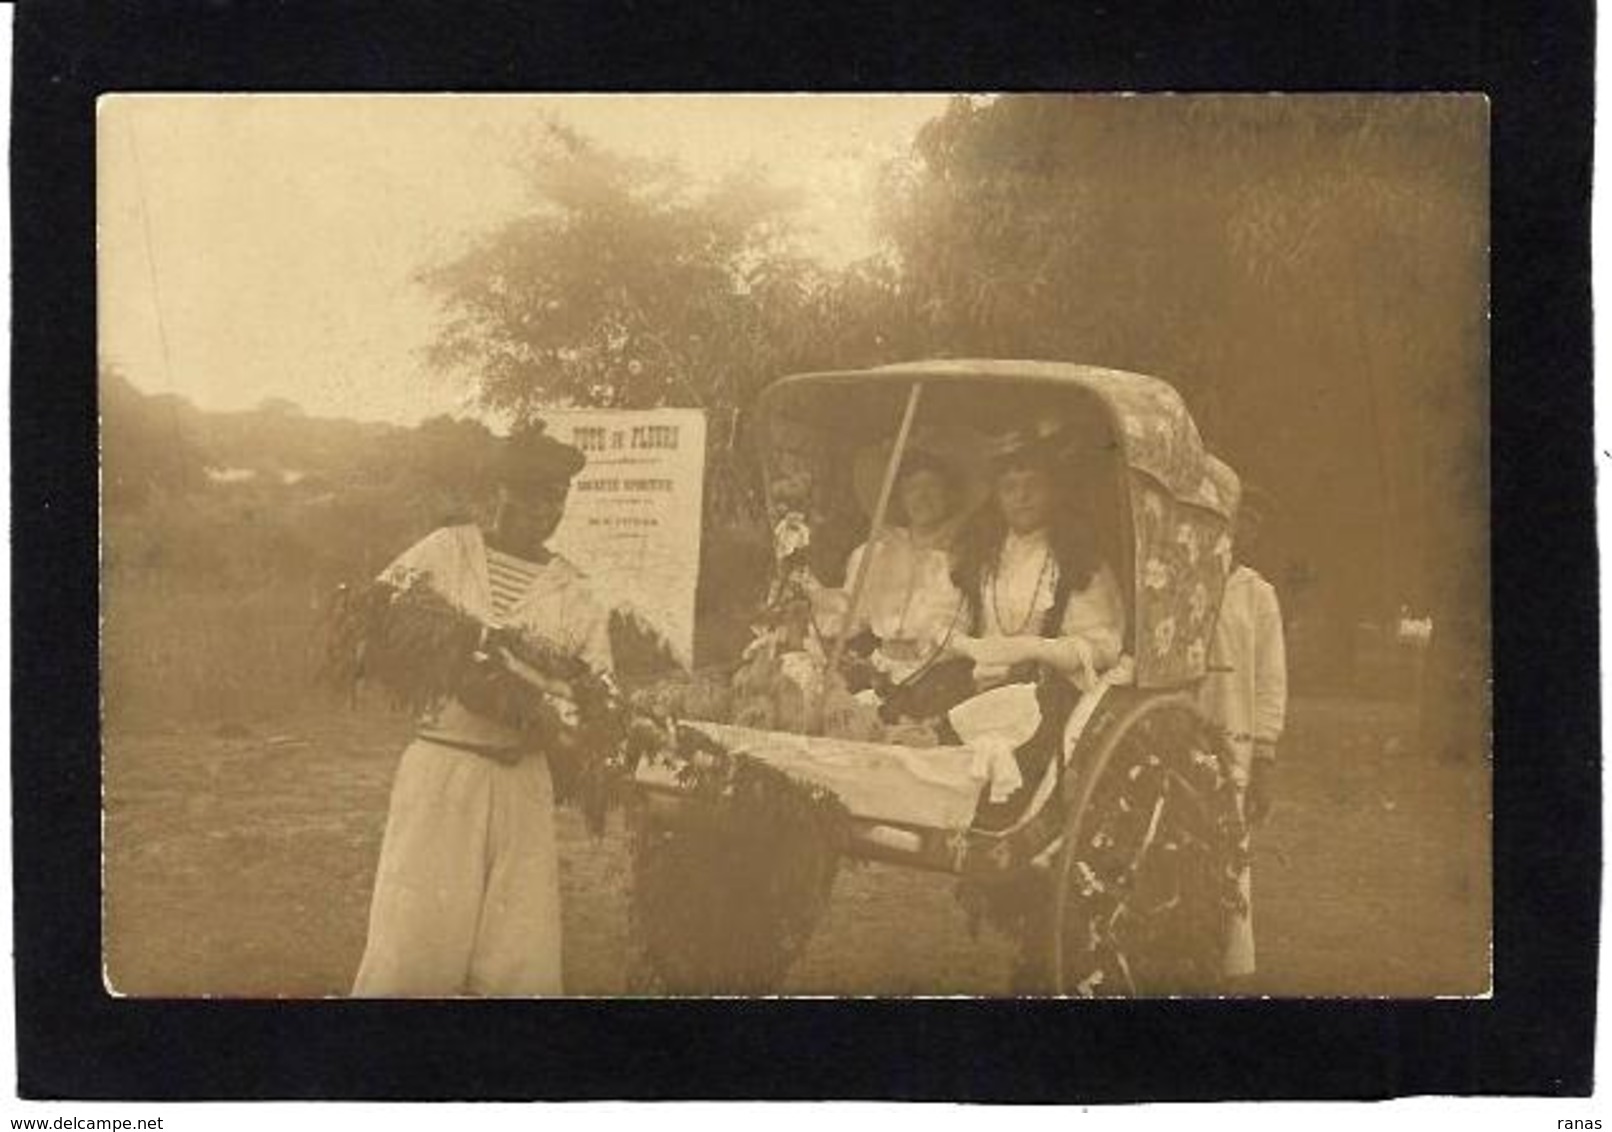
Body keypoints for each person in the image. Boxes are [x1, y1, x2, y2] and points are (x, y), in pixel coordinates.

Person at [351, 421, 611, 997]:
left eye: (557, 496)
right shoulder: (448, 552)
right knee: (414, 946)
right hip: (444, 769)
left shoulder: (577, 591)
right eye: (532, 492)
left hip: (523, 777)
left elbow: (597, 693)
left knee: (519, 957)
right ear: (499, 492)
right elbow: (375, 624)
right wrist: (457, 670)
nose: (546, 508)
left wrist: (546, 711)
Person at [947, 421, 1127, 822]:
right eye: (1009, 487)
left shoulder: (1076, 559)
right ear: (997, 496)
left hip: (1046, 693)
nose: (1021, 497)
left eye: (1033, 485)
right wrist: (972, 649)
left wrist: (1032, 649)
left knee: (1023, 755)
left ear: (1054, 492)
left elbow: (1103, 645)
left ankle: (1008, 858)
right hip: (977, 684)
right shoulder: (981, 556)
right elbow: (949, 624)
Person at [1198, 485, 1287, 981]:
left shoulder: (1258, 595)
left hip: (1234, 731)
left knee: (1227, 832)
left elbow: (1271, 679)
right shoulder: (1178, 579)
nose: (1238, 531)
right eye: (1233, 519)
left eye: (1250, 523)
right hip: (1175, 721)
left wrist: (1266, 758)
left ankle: (1228, 955)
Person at [809, 447, 970, 687]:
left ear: (949, 493)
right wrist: (815, 607)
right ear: (901, 499)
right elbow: (852, 614)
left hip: (940, 673)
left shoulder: (966, 553)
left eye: (932, 486)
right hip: (881, 671)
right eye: (912, 489)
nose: (922, 497)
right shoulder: (875, 554)